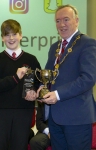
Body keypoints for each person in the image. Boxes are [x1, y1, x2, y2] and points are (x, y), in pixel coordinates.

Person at [37, 4, 96, 150]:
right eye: (58, 21)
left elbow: (88, 78)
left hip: (77, 118)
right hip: (55, 118)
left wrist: (57, 94)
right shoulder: (54, 47)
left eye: (66, 19)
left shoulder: (87, 43)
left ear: (77, 20)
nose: (61, 24)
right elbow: (48, 75)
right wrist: (41, 88)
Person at [0, 19, 41, 150]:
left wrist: (35, 92)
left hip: (23, 112)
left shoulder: (31, 59)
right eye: (7, 35)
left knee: (20, 147)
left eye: (14, 34)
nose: (11, 38)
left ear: (21, 35)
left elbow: (39, 84)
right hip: (0, 113)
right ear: (2, 38)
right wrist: (15, 78)